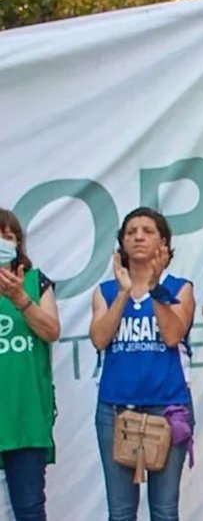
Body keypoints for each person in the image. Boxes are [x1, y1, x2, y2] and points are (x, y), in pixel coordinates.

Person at [89, 207, 195, 521]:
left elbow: (174, 334)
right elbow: (99, 338)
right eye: (131, 231)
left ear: (163, 242)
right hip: (115, 410)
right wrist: (124, 293)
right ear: (121, 242)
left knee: (164, 511)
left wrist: (153, 288)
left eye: (147, 231)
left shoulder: (179, 288)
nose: (138, 236)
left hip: (168, 408)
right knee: (120, 512)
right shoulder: (106, 292)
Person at [0, 209, 60, 521]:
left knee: (29, 510)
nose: (2, 243)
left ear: (18, 244)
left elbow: (51, 331)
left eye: (7, 237)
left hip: (25, 418)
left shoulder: (38, 282)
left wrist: (20, 298)